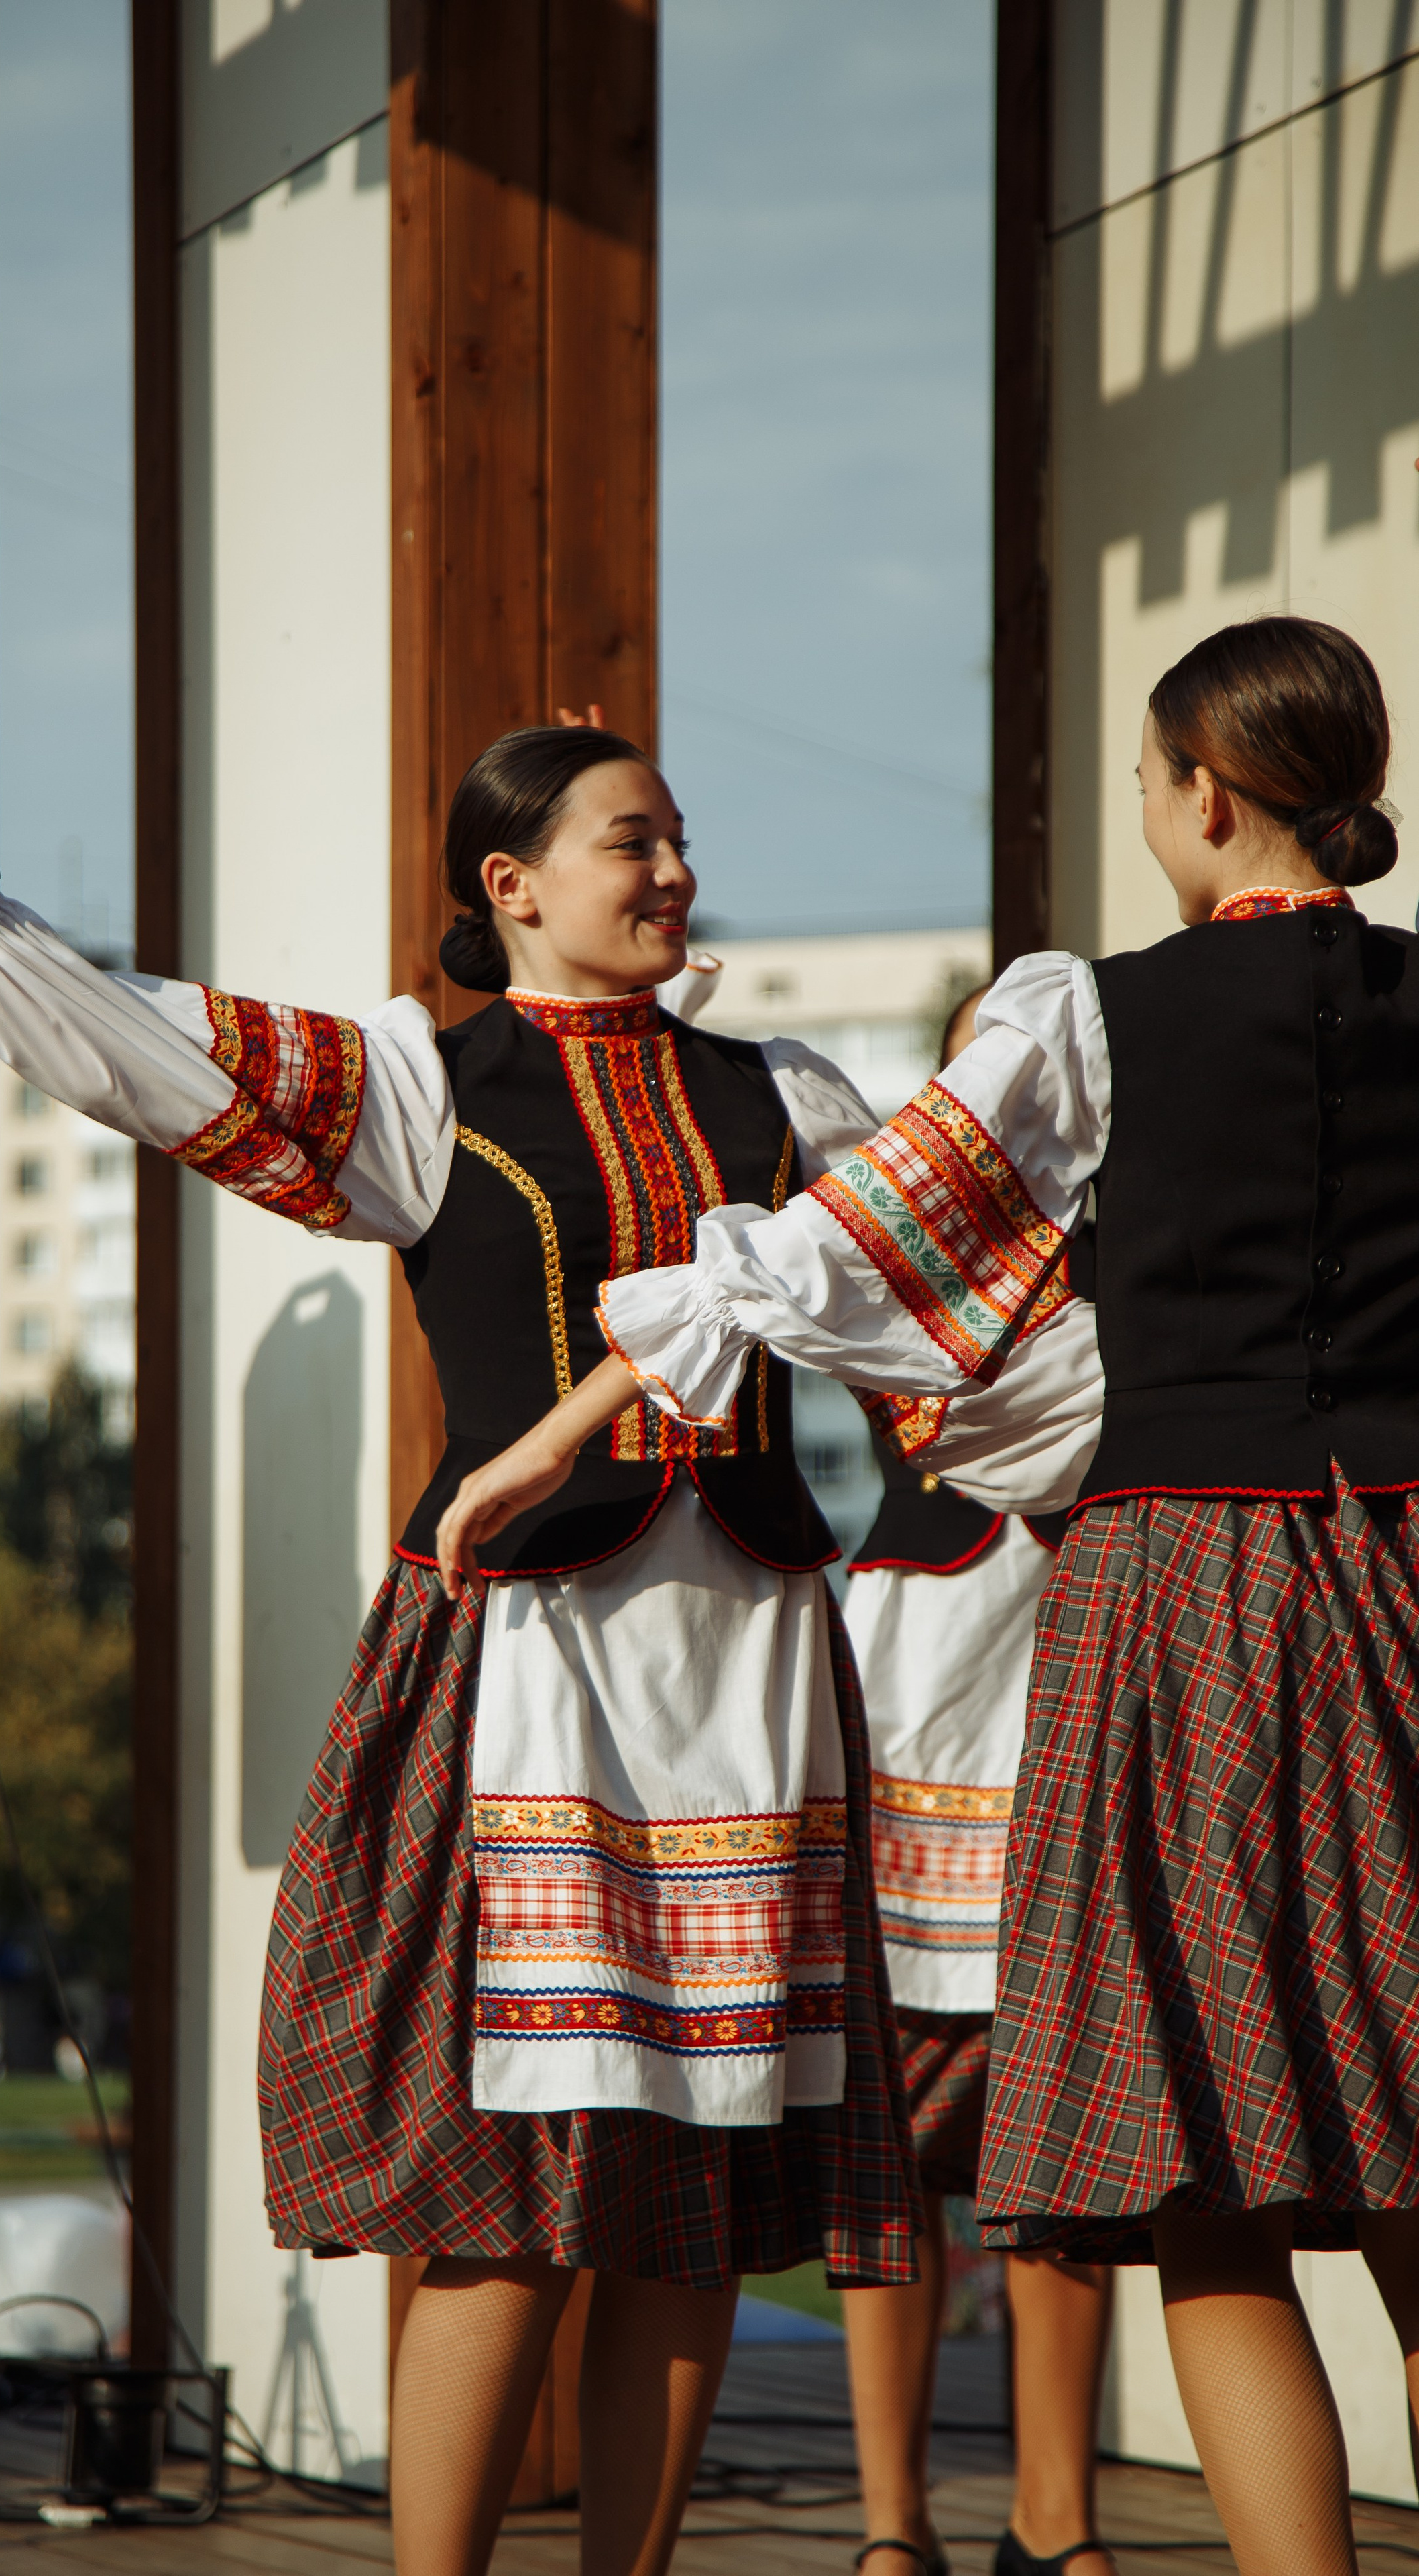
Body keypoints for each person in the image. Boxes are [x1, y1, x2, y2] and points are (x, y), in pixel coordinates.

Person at [0, 608, 1073, 2576]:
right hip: (539, 1668)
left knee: (701, 2194)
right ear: (513, 883)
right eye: (631, 840)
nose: (674, 872)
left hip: (747, 1662)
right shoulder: (418, 1080)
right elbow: (152, 1052)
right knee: (511, 2195)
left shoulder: (783, 1094)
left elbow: (966, 1296)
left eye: (677, 839)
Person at [438, 616, 1419, 2576]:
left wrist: (565, 1426)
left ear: (1208, 796)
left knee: (1212, 2185)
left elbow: (847, 1247)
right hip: (1402, 1564)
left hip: (1192, 1588)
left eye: (1149, 786)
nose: (1150, 812)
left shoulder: (1090, 1013)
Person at [841, 984, 1113, 2576]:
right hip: (923, 1677)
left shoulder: (1140, 1238)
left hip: (1077, 1673)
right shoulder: (893, 1238)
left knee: (1057, 2145)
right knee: (888, 2146)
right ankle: (890, 2527)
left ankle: (1053, 2521)